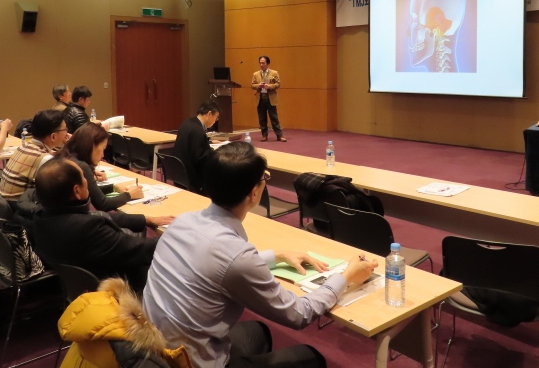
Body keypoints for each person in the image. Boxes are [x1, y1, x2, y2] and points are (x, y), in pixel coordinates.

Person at [143, 142, 377, 368]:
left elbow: (215, 265)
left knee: (258, 331)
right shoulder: (236, 255)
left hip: (153, 351)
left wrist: (277, 255)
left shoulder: (182, 221)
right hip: (189, 362)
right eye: (264, 177)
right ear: (254, 193)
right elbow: (299, 315)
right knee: (309, 356)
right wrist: (346, 276)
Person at [32, 158, 173, 291]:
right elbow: (142, 249)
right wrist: (178, 233)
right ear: (77, 191)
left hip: (76, 287)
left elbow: (95, 216)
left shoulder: (41, 217)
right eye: (84, 177)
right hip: (119, 289)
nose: (88, 181)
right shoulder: (88, 229)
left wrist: (145, 219)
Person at [57, 122, 147, 212]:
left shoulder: (65, 156)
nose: (103, 155)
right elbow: (103, 205)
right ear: (92, 146)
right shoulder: (81, 166)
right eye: (102, 149)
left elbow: (91, 191)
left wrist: (113, 188)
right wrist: (129, 195)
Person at [0, 110, 69, 198]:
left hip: (7, 201)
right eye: (65, 130)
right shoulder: (45, 159)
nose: (67, 134)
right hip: (20, 204)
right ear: (53, 136)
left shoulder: (25, 146)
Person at [172, 101, 220, 194]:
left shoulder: (187, 123)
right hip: (192, 178)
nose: (215, 121)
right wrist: (215, 152)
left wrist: (208, 143)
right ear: (209, 114)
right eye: (216, 117)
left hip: (179, 174)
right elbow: (201, 158)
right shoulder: (198, 131)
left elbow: (191, 143)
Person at [251, 56, 286, 142]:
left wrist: (269, 86)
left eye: (263, 63)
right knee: (262, 118)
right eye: (260, 63)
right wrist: (258, 85)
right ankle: (264, 135)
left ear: (268, 63)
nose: (261, 65)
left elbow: (278, 84)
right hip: (260, 99)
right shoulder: (256, 74)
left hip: (271, 98)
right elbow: (252, 85)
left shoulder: (274, 73)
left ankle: (279, 135)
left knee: (274, 118)